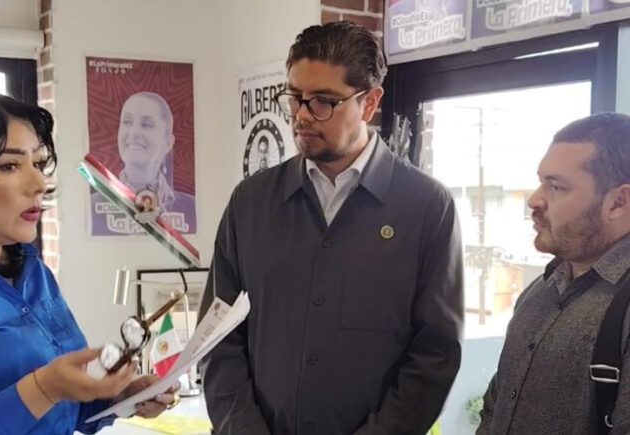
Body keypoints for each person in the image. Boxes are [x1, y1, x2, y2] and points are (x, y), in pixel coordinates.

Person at [199, 21, 464, 435]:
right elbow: (217, 337)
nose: (302, 116)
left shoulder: (427, 207)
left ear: (370, 102)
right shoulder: (249, 203)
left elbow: (435, 354)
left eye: (323, 101)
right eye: (295, 98)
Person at [0, 90, 179, 434]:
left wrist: (118, 398)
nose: (39, 183)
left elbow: (61, 410)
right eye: (9, 166)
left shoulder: (34, 273)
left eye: (38, 164)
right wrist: (44, 388)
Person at [476, 113, 630, 435]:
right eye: (541, 182)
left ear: (618, 202)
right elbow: (496, 405)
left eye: (556, 186)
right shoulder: (540, 289)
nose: (534, 200)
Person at [90, 91, 195, 235]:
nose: (134, 132)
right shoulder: (92, 206)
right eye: (127, 122)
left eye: (146, 124)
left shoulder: (191, 208)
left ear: (168, 143)